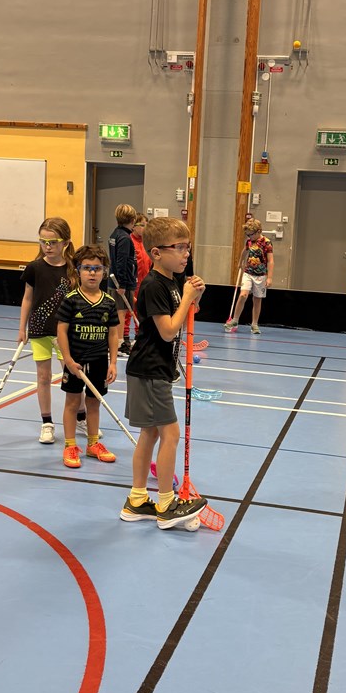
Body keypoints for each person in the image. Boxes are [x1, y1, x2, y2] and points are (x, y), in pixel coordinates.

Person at [119, 216, 208, 529]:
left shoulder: (172, 281)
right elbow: (169, 330)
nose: (186, 254)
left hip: (156, 370)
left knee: (151, 433)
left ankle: (136, 500)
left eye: (188, 248)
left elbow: (185, 313)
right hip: (149, 370)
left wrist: (193, 297)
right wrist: (187, 297)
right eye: (179, 248)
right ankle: (167, 503)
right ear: (156, 253)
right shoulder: (155, 284)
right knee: (170, 434)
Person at [18, 217, 84, 444]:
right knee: (43, 377)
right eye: (43, 242)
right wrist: (22, 328)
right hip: (39, 330)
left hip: (66, 333)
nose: (47, 247)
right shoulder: (34, 268)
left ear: (65, 242)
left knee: (73, 376)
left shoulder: (73, 269)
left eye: (53, 242)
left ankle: (81, 418)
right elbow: (27, 299)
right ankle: (47, 423)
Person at [55, 245, 119, 469]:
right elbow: (61, 331)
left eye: (97, 268)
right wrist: (68, 360)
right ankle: (70, 445)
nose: (92, 273)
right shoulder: (71, 299)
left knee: (94, 403)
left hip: (99, 361)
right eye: (87, 268)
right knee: (73, 402)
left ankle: (93, 444)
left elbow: (113, 334)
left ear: (104, 272)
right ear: (78, 271)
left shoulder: (109, 302)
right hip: (76, 362)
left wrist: (113, 362)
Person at [224, 218, 274, 334]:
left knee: (257, 299)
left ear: (258, 231)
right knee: (243, 295)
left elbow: (271, 261)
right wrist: (240, 262)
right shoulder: (249, 241)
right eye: (247, 235)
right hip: (248, 272)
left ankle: (254, 324)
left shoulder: (267, 243)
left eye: (251, 234)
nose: (249, 237)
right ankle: (235, 320)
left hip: (261, 275)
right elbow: (245, 251)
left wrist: (270, 277)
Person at [108, 203, 138, 356]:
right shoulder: (125, 238)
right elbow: (122, 261)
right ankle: (119, 343)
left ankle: (118, 342)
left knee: (120, 311)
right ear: (133, 220)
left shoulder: (115, 234)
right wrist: (122, 284)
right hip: (121, 283)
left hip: (116, 281)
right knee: (120, 312)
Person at [122, 213, 152, 344]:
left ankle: (140, 336)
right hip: (132, 282)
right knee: (128, 310)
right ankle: (125, 337)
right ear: (134, 226)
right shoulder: (129, 241)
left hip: (144, 282)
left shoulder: (146, 243)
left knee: (141, 311)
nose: (145, 228)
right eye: (142, 225)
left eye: (147, 225)